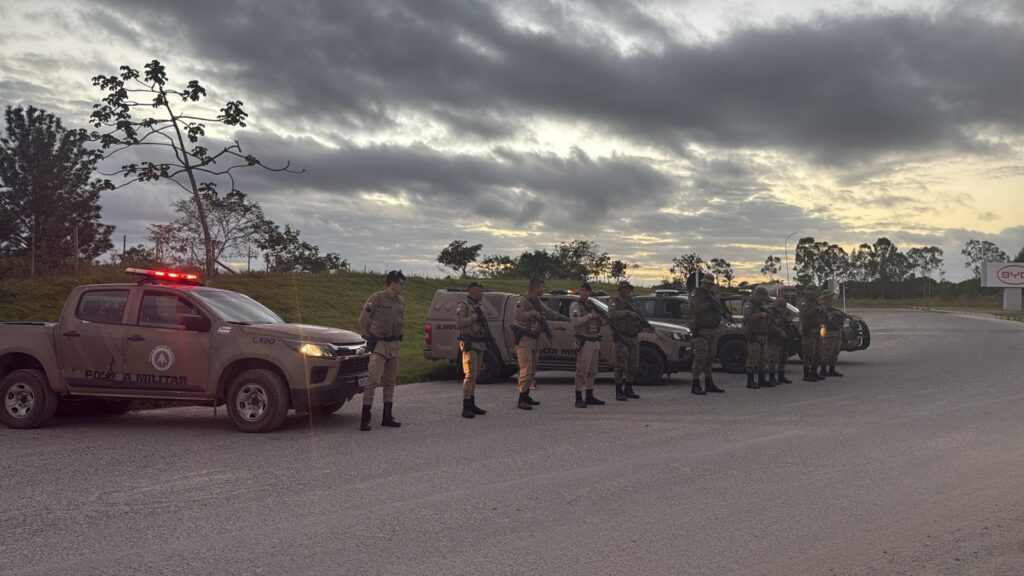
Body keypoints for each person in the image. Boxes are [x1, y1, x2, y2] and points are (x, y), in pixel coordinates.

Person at [358, 270, 406, 431]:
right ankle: (365, 417)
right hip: (379, 345)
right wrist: (372, 335)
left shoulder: (401, 301)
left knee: (390, 381)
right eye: (400, 283)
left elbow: (400, 320)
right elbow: (363, 320)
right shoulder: (376, 298)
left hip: (394, 346)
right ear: (392, 283)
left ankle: (387, 415)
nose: (402, 287)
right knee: (373, 380)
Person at [512, 277, 569, 410]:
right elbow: (517, 316)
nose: (543, 289)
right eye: (542, 287)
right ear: (535, 288)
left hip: (535, 339)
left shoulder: (537, 302)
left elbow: (549, 313)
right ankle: (521, 398)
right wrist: (531, 313)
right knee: (525, 370)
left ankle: (526, 395)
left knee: (532, 370)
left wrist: (565, 318)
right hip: (524, 339)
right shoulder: (523, 301)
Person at [687, 273, 728, 395]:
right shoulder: (696, 294)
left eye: (710, 284)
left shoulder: (712, 295)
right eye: (706, 283)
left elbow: (718, 307)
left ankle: (709, 382)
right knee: (700, 358)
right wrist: (708, 305)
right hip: (701, 330)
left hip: (712, 330)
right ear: (702, 283)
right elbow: (694, 309)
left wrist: (723, 313)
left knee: (710, 358)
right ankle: (695, 384)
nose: (708, 286)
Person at [454, 282, 490, 418]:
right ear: (473, 292)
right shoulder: (463, 305)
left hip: (480, 343)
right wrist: (474, 317)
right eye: (480, 292)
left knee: (476, 374)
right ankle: (466, 406)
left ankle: (472, 403)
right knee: (470, 374)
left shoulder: (479, 306)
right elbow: (459, 322)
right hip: (469, 343)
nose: (482, 294)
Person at [608, 280, 648, 401]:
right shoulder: (614, 301)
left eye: (628, 289)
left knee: (634, 364)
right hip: (621, 337)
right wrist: (627, 313)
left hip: (633, 336)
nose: (626, 291)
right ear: (619, 290)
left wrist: (644, 326)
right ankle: (619, 390)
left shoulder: (633, 302)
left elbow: (640, 316)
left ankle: (629, 388)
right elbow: (612, 314)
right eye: (624, 289)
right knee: (621, 364)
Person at [569, 281, 605, 408]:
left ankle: (589, 395)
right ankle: (578, 397)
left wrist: (600, 319)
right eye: (582, 290)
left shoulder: (591, 305)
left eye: (586, 290)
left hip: (594, 340)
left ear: (589, 292)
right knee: (581, 371)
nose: (584, 292)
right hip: (584, 341)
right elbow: (575, 322)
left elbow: (600, 320)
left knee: (592, 371)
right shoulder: (576, 305)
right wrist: (590, 316)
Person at [742, 286, 774, 389]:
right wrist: (759, 315)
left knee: (763, 359)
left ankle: (761, 379)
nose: (762, 300)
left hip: (763, 334)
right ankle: (750, 381)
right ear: (756, 295)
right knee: (752, 359)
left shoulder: (760, 306)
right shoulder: (749, 305)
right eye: (761, 297)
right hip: (754, 335)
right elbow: (747, 318)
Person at [798, 284, 824, 382]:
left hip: (817, 330)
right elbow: (803, 315)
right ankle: (806, 374)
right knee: (808, 352)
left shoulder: (816, 301)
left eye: (815, 292)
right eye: (812, 292)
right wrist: (814, 310)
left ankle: (814, 372)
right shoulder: (804, 302)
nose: (814, 293)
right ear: (808, 292)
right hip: (808, 330)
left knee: (817, 352)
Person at [766, 297, 793, 385]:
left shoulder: (782, 312)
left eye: (783, 306)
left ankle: (781, 376)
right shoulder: (771, 313)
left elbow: (787, 321)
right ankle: (772, 377)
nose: (782, 308)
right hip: (774, 338)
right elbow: (769, 325)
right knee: (773, 358)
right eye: (780, 306)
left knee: (783, 358)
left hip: (783, 338)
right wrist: (780, 331)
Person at [819, 290, 845, 378]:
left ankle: (832, 369)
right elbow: (828, 318)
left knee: (835, 351)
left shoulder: (832, 307)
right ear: (825, 297)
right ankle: (823, 370)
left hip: (836, 331)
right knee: (826, 352)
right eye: (830, 296)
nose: (831, 298)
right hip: (828, 332)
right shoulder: (822, 307)